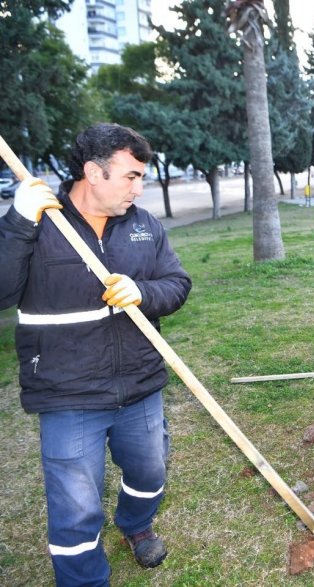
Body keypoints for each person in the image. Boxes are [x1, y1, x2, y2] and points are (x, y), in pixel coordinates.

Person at [0, 123, 192, 585]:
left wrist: (142, 292)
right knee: (75, 507)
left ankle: (136, 524)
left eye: (141, 177)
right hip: (68, 393)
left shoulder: (143, 226)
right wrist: (18, 222)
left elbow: (178, 284)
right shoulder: (41, 221)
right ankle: (84, 579)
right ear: (93, 172)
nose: (139, 189)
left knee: (150, 472)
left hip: (139, 384)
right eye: (130, 176)